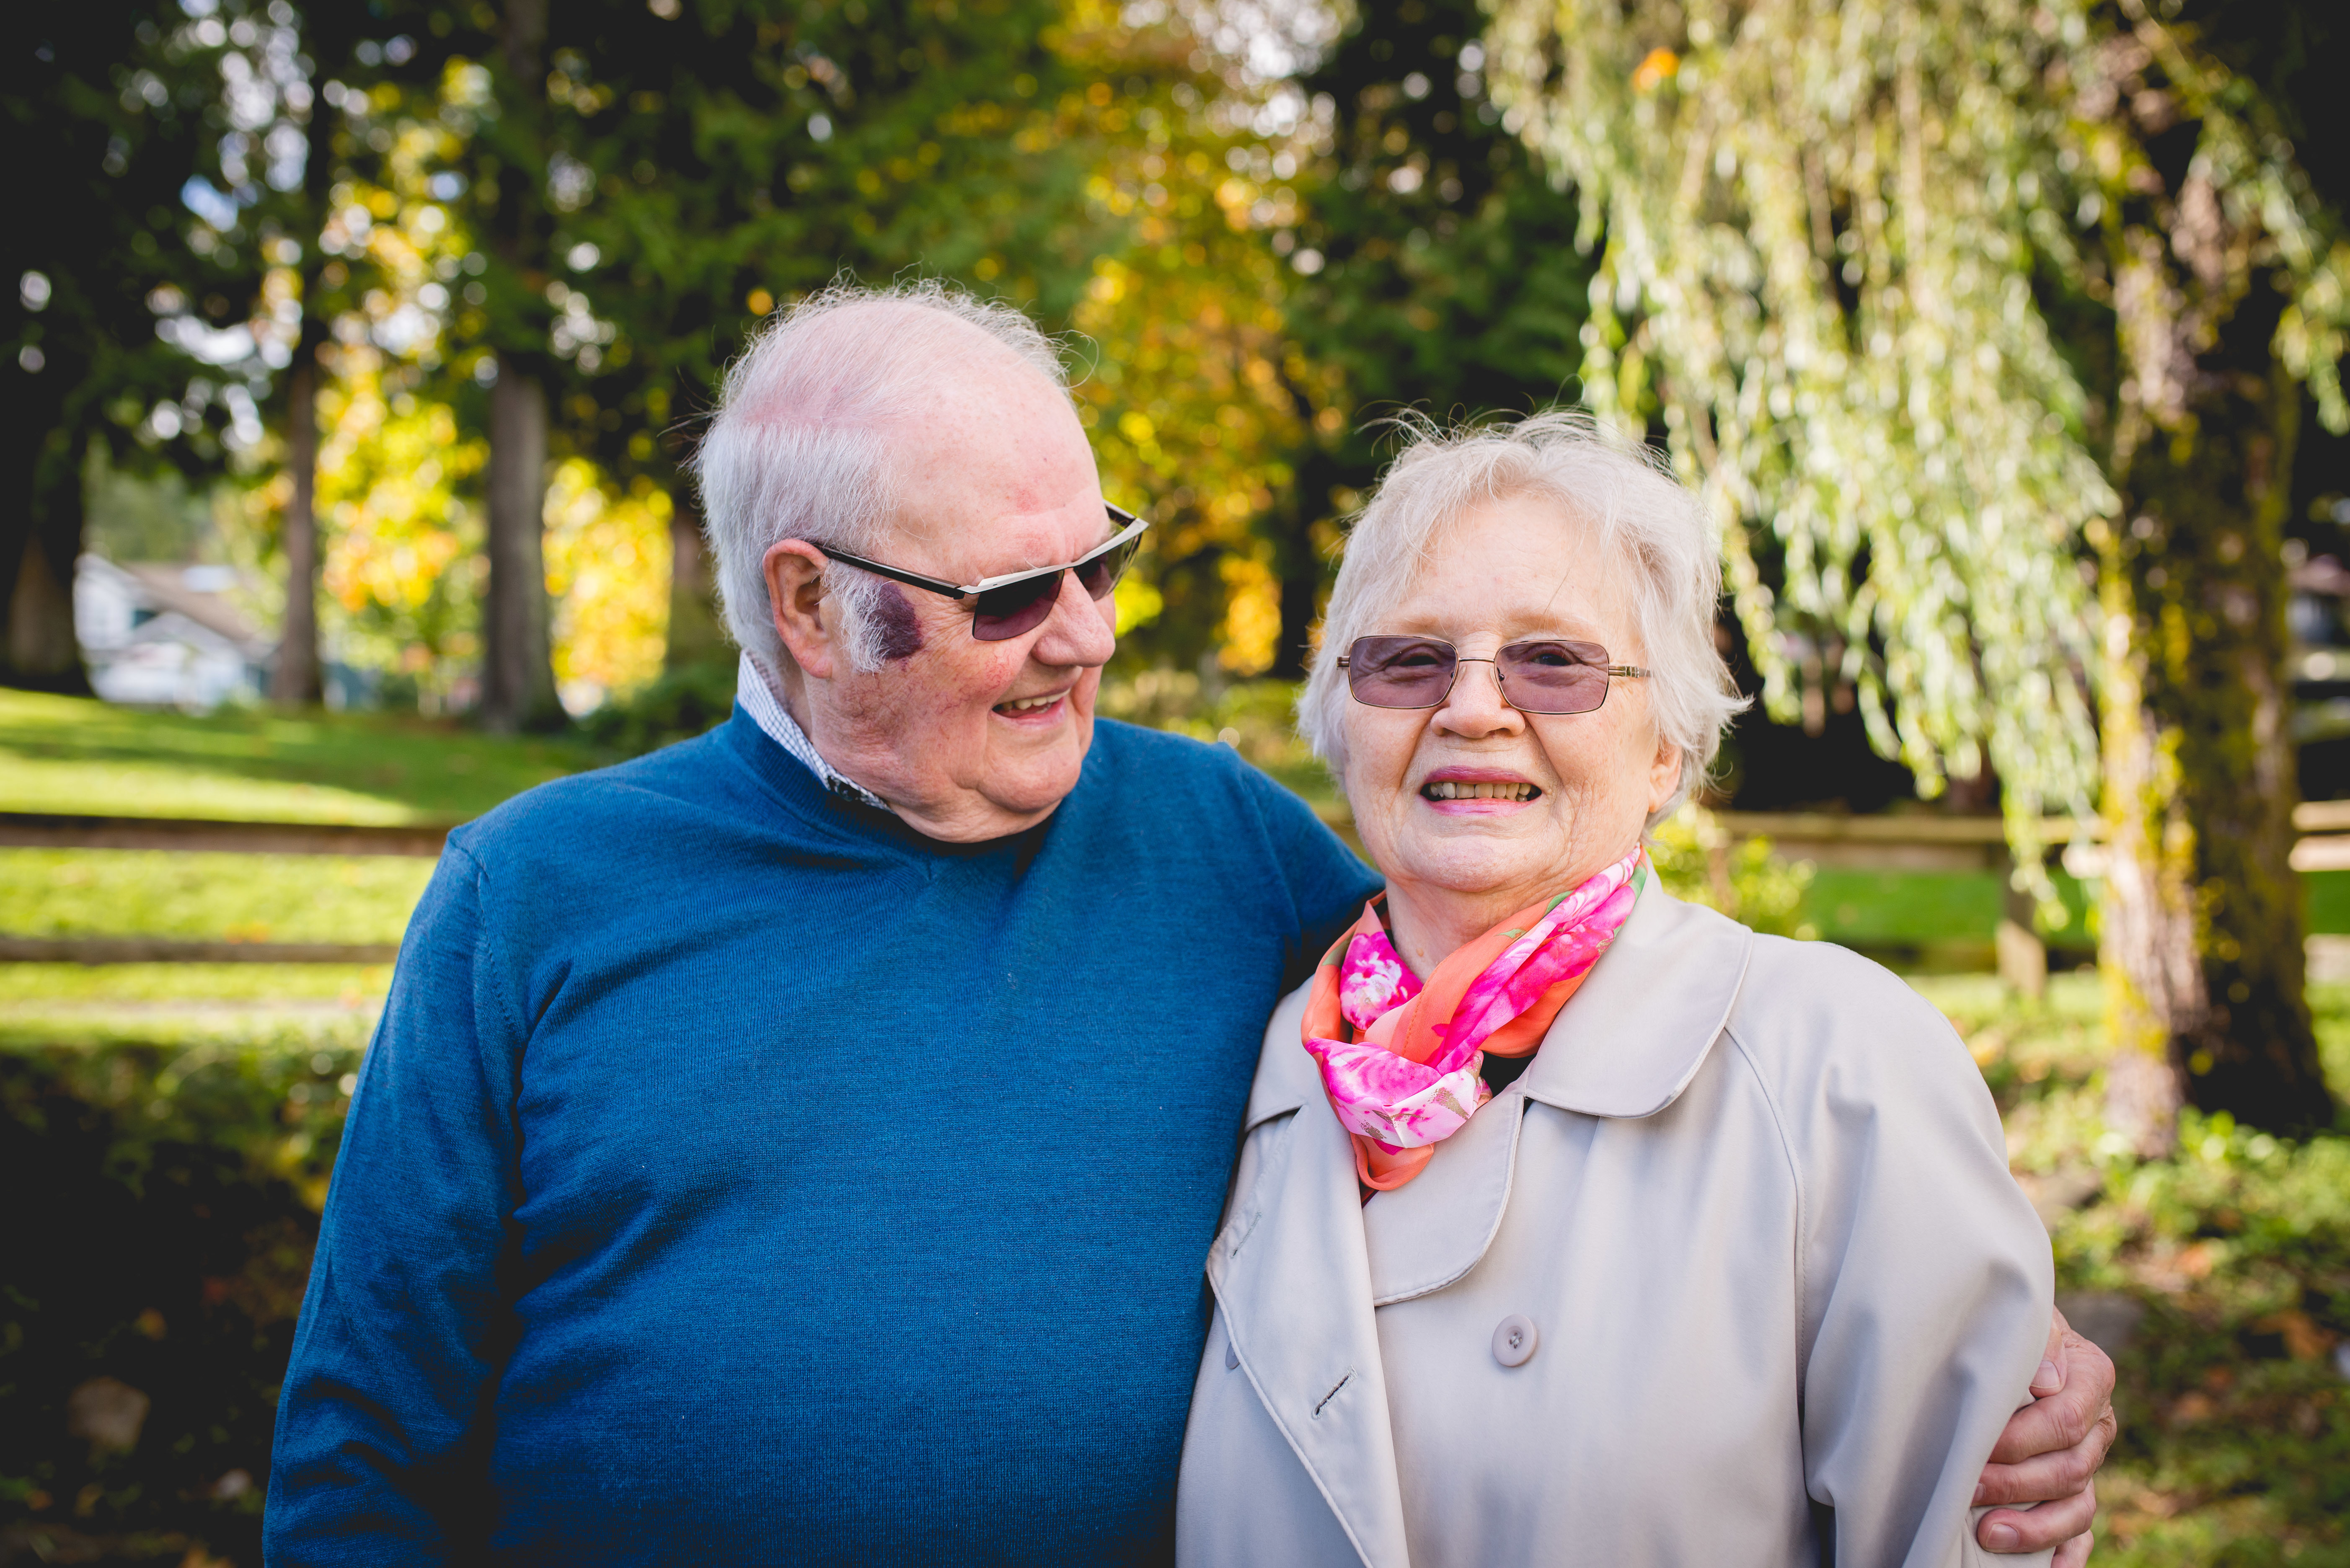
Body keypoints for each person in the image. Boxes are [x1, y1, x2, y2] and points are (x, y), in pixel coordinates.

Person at [265, 284, 2112, 1564]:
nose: (1084, 632)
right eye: (1009, 593)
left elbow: (1532, 1021)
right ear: (812, 608)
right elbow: (366, 1447)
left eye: (1099, 558)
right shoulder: (537, 896)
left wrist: (1974, 1350)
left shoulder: (1223, 852)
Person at [1176, 413, 2099, 1567]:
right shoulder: (1257, 1070)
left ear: (1664, 747)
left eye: (1552, 662)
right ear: (1339, 720)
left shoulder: (1833, 1063)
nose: (1470, 707)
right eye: (1407, 658)